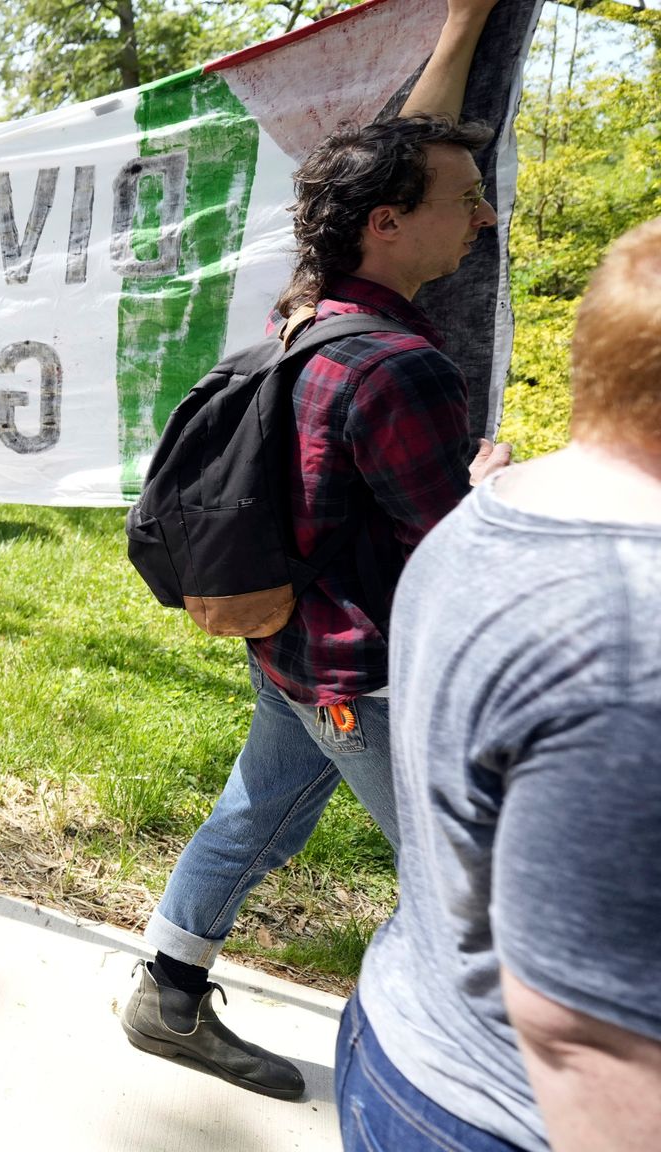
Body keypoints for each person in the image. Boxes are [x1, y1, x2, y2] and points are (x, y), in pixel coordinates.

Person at [122, 0, 513, 1099]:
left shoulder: (302, 318)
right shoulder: (396, 368)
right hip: (363, 676)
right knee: (467, 883)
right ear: (385, 225)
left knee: (251, 813)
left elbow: (384, 165)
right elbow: (449, 556)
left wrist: (456, 35)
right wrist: (488, 493)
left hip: (290, 643)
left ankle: (166, 989)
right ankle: (429, 1083)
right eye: (463, 203)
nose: (479, 220)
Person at [339, 219, 661, 1152]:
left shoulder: (495, 511)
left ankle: (175, 968)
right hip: (502, 1114)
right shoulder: (628, 630)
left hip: (404, 1029)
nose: (483, 216)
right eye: (463, 197)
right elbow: (587, 1036)